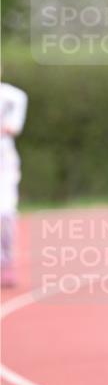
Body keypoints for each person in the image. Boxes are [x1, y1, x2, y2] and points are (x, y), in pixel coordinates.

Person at [0, 79, 28, 288]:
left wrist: (9, 125)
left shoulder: (10, 95)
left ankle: (6, 261)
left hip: (4, 162)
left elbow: (14, 126)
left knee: (5, 214)